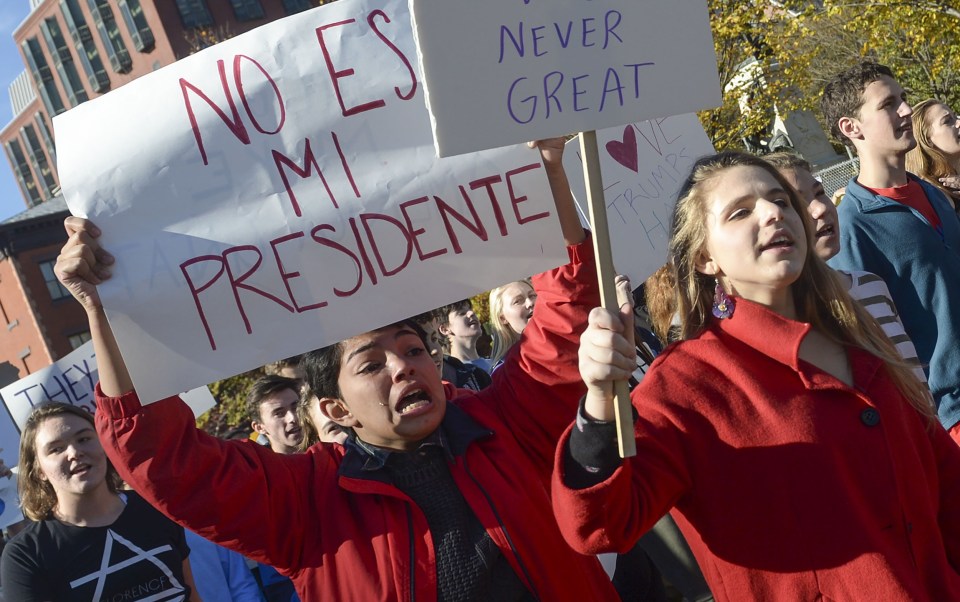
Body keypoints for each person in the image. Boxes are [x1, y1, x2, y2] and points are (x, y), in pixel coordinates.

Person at [57, 138, 619, 600]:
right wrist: (104, 313)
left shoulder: (507, 425)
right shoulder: (305, 506)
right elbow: (168, 462)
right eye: (372, 363)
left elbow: (571, 314)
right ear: (334, 408)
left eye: (413, 349)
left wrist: (546, 170)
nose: (403, 367)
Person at [551, 151, 960, 601]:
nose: (772, 213)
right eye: (741, 211)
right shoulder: (685, 384)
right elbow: (598, 526)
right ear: (706, 257)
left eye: (781, 201)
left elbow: (945, 482)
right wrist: (599, 402)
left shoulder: (859, 334)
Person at [820, 61, 960, 439]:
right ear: (851, 128)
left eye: (903, 99)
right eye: (887, 105)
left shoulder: (934, 192)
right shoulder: (851, 227)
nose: (904, 111)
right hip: (950, 413)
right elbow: (873, 346)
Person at [0, 402, 201, 601]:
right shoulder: (26, 554)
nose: (74, 453)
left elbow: (191, 594)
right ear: (38, 470)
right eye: (56, 449)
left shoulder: (156, 507)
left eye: (84, 438)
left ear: (104, 445)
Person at [765, 151, 926, 383]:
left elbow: (916, 384)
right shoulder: (791, 318)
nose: (820, 208)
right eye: (798, 202)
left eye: (819, 193)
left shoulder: (871, 285)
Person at [905, 98, 960, 208]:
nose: (958, 122)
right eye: (947, 120)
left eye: (955, 116)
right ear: (927, 140)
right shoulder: (933, 196)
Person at [439, 300, 493, 390]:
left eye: (471, 310)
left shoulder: (496, 363)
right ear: (445, 329)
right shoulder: (451, 377)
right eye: (461, 313)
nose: (471, 313)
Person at [246, 375, 303, 454]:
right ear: (259, 428)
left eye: (296, 407)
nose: (292, 418)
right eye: (279, 413)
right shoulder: (259, 465)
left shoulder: (325, 451)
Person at [488, 278, 536, 366]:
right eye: (518, 301)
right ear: (503, 318)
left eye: (532, 295)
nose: (530, 303)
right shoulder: (504, 373)